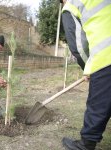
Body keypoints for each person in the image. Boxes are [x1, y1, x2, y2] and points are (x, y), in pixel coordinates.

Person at [60, 0, 111, 149]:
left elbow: (78, 47)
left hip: (106, 57)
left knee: (97, 103)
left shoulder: (71, 6)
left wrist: (88, 68)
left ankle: (86, 144)